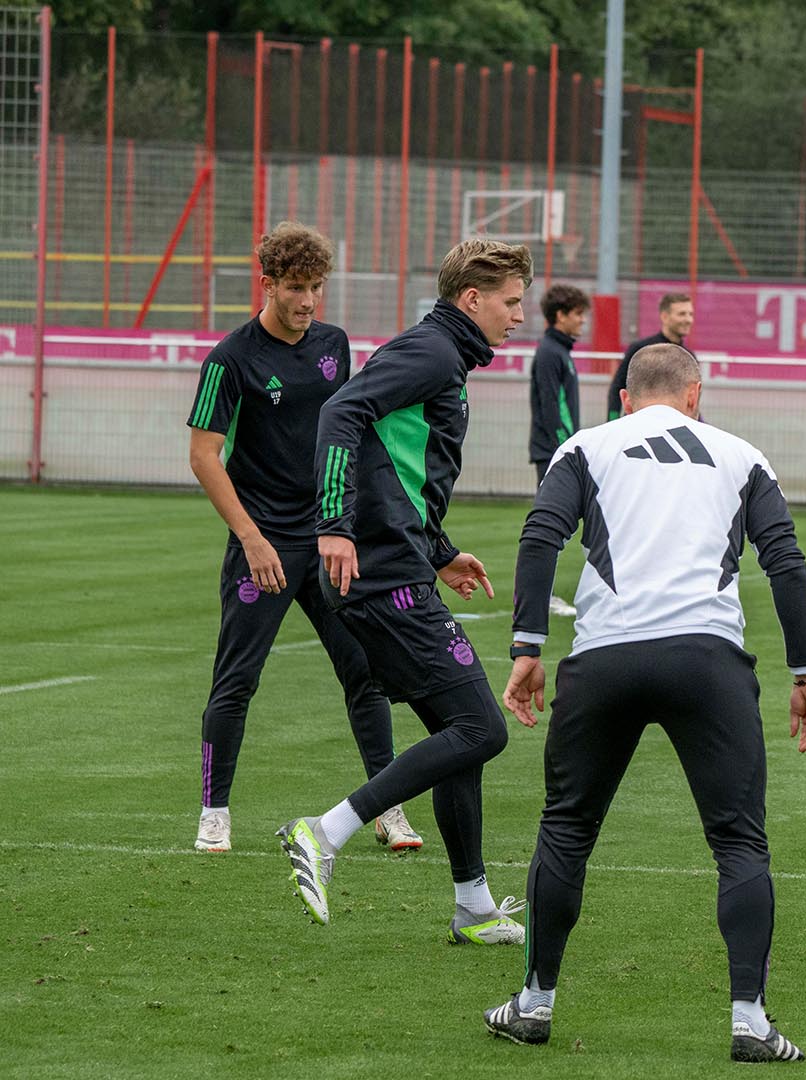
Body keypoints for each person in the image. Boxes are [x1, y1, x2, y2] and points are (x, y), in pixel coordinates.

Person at [485, 343, 806, 1063]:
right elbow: (785, 561)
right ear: (695, 394)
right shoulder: (741, 455)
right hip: (708, 660)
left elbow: (541, 536)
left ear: (628, 399)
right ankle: (750, 1023)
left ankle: (535, 1005)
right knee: (739, 841)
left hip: (604, 657)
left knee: (568, 830)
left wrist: (526, 648)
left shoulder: (586, 446)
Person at [278, 239, 532, 944]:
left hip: (399, 564)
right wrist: (333, 525)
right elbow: (341, 416)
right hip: (380, 575)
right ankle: (323, 832)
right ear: (472, 299)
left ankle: (473, 905)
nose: (519, 316)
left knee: (462, 736)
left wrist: (442, 551)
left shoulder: (442, 358)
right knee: (482, 728)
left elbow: (399, 467)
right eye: (512, 303)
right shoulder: (431, 353)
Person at [183, 222, 420, 855]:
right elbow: (205, 456)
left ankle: (386, 808)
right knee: (237, 680)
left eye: (317, 286)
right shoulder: (229, 359)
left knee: (365, 673)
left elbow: (348, 433)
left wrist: (347, 521)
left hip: (327, 542)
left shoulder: (334, 345)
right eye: (295, 287)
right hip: (262, 545)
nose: (308, 299)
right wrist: (251, 539)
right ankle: (214, 811)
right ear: (268, 284)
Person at [529, 283, 589, 617]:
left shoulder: (560, 351)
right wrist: (568, 448)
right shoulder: (550, 353)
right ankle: (541, 597)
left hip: (558, 449)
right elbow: (554, 408)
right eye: (578, 314)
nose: (583, 321)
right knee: (548, 524)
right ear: (560, 315)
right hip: (553, 451)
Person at [608, 292, 694, 421]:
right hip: (639, 427)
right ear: (664, 316)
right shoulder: (640, 349)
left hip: (674, 429)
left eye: (690, 314)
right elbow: (617, 387)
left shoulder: (689, 356)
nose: (688, 319)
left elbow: (692, 400)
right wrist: (612, 421)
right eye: (682, 314)